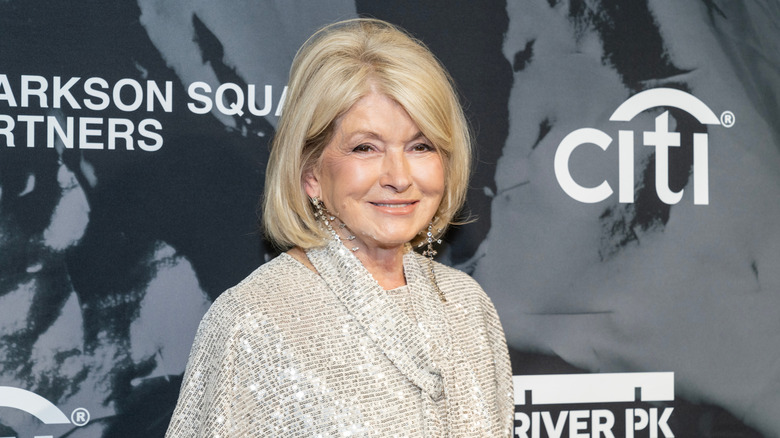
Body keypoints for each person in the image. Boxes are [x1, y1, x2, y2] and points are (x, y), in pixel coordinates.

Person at [165, 18, 513, 437]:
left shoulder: (467, 305)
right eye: (365, 147)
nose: (399, 177)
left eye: (421, 146)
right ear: (310, 172)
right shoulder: (253, 321)